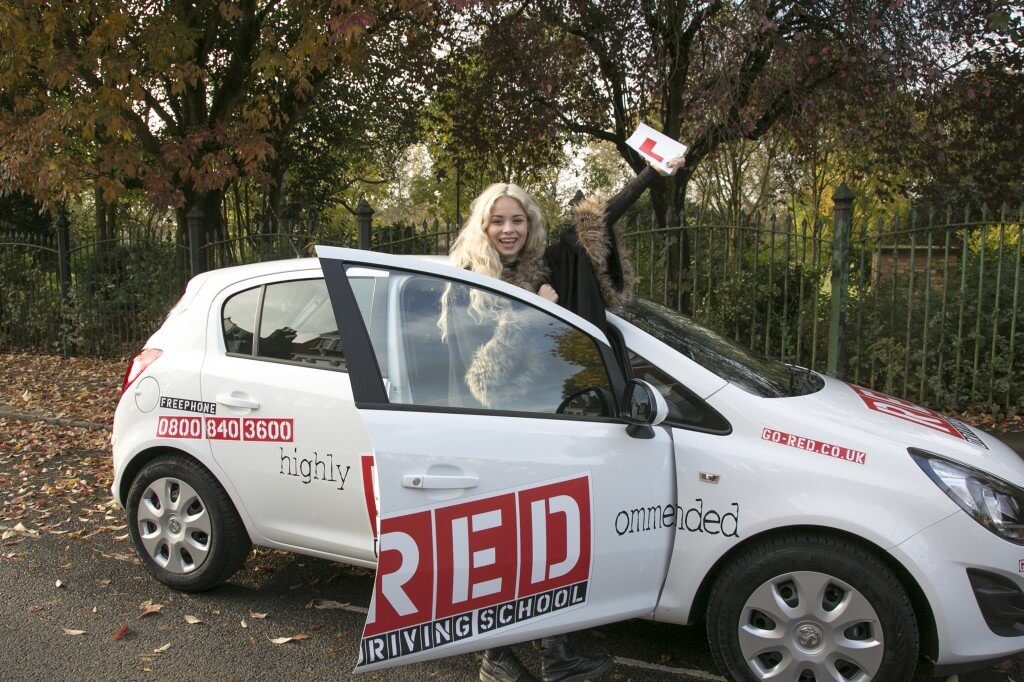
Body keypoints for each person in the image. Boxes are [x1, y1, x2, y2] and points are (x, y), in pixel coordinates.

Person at [445, 157, 683, 682]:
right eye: (498, 221)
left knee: (547, 546)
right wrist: (530, 314)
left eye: (518, 220)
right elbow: (479, 378)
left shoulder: (541, 268)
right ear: (483, 227)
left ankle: (548, 655)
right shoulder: (463, 284)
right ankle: (503, 658)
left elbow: (590, 230)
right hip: (492, 435)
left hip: (547, 428)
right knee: (511, 551)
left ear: (529, 224)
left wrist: (649, 174)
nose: (509, 230)